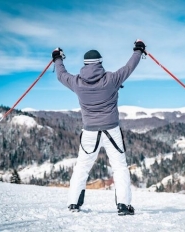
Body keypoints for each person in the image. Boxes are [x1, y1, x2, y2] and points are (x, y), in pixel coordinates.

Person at [51, 39, 146, 215]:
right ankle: (123, 206)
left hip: (89, 132)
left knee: (82, 167)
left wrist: (57, 57)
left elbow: (61, 75)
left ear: (85, 65)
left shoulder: (77, 83)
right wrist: (138, 49)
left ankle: (73, 203)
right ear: (100, 63)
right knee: (119, 167)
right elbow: (129, 67)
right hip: (111, 130)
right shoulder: (111, 79)